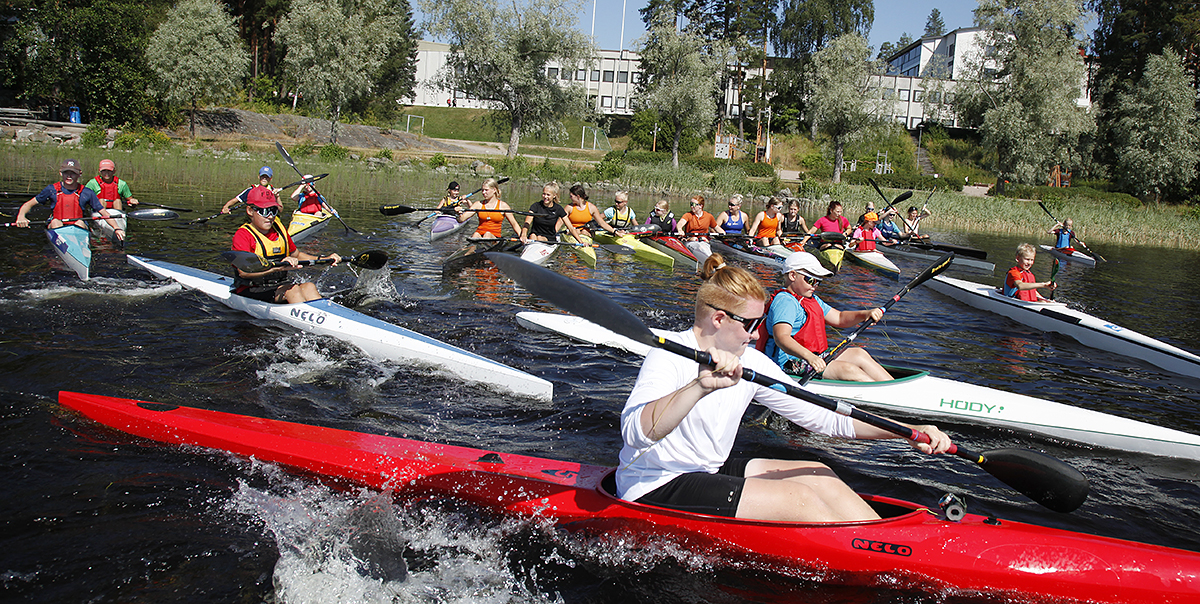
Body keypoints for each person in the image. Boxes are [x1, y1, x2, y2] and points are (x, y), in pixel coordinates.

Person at [616, 252, 952, 522]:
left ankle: (888, 544)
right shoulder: (668, 355)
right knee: (800, 498)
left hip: (708, 470)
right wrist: (699, 386)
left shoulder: (753, 361)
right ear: (718, 319)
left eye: (760, 323)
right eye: (751, 324)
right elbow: (635, 433)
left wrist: (908, 431)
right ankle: (873, 559)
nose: (755, 334)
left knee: (817, 473)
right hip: (652, 484)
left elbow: (826, 418)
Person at [760, 252, 892, 382]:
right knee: (847, 369)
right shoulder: (785, 301)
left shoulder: (812, 299)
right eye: (810, 280)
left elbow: (840, 318)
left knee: (859, 354)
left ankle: (891, 387)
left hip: (812, 356)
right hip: (787, 363)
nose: (814, 286)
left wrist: (865, 314)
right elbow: (781, 337)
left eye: (818, 282)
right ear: (793, 275)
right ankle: (878, 394)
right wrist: (810, 357)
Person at [230, 187, 340, 303]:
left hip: (278, 286)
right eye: (264, 211)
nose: (270, 216)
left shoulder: (279, 229)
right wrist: (277, 268)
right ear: (250, 211)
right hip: (251, 289)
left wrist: (324, 259)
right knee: (292, 291)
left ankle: (323, 316)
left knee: (309, 287)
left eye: (273, 210)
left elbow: (297, 255)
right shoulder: (243, 235)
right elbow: (244, 273)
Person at [14, 158, 124, 241]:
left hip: (78, 226)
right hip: (57, 225)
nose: (69, 176)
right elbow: (28, 204)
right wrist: (21, 216)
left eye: (73, 173)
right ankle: (64, 245)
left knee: (80, 223)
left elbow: (104, 213)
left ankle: (79, 247)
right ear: (60, 173)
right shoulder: (51, 190)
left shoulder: (86, 192)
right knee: (56, 222)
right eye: (66, 172)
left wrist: (116, 228)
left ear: (79, 174)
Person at [456, 178, 524, 239]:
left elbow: (514, 224)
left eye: (486, 190)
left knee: (487, 234)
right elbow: (461, 219)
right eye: (482, 190)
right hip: (479, 235)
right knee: (476, 234)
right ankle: (471, 251)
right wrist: (457, 213)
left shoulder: (503, 206)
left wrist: (523, 236)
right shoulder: (478, 204)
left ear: (494, 190)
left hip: (494, 237)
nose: (483, 192)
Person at [521, 181, 585, 243]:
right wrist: (523, 235)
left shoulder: (558, 209)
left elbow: (570, 228)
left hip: (549, 238)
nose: (545, 197)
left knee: (539, 238)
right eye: (544, 194)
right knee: (533, 236)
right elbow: (527, 223)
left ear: (554, 195)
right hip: (534, 236)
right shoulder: (535, 206)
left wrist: (581, 242)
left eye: (548, 195)